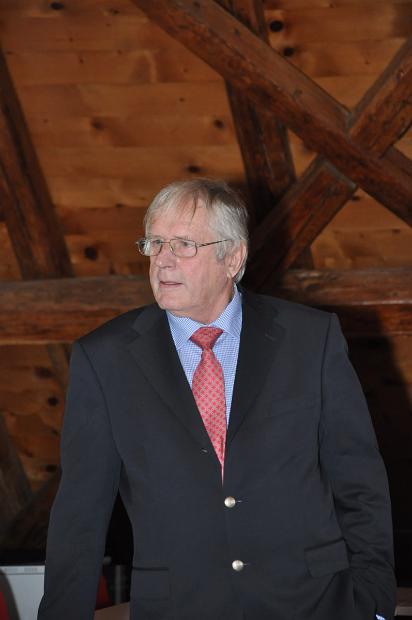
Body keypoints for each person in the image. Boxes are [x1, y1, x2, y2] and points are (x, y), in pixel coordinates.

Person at [38, 178, 396, 620]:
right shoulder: (104, 358)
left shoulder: (310, 339)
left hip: (314, 603)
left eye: (184, 245)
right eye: (154, 243)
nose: (163, 260)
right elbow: (79, 515)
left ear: (233, 257)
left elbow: (359, 479)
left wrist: (374, 600)